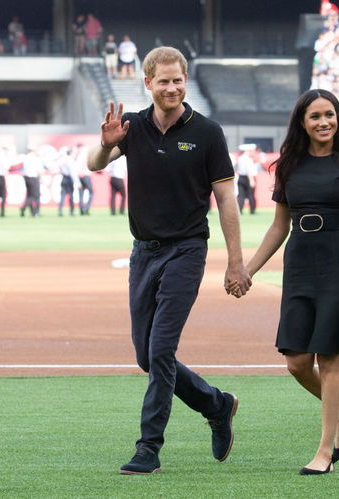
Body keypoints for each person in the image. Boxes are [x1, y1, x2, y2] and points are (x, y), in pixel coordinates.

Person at [87, 46, 250, 475]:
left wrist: (236, 262)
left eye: (178, 79)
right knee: (146, 355)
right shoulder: (133, 126)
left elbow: (227, 199)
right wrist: (106, 147)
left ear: (185, 80)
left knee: (161, 348)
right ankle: (217, 404)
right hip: (143, 253)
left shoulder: (208, 132)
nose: (172, 87)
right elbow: (93, 164)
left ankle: (149, 447)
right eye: (164, 81)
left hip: (187, 250)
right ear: (148, 84)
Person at [240, 89, 339, 474]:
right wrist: (248, 269)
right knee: (296, 361)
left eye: (330, 114)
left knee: (329, 357)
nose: (324, 122)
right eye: (315, 117)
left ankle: (325, 453)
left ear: (338, 117)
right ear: (302, 123)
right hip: (301, 261)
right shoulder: (289, 164)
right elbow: (279, 226)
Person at [20, 146, 45, 217]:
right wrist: (41, 178)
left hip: (26, 177)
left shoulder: (25, 158)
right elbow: (39, 170)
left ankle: (32, 211)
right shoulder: (35, 158)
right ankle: (34, 211)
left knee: (30, 195)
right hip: (33, 177)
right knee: (35, 196)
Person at [235, 145, 257, 215]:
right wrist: (251, 180)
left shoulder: (239, 159)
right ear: (247, 151)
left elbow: (236, 169)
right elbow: (248, 170)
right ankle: (252, 211)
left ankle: (239, 210)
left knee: (241, 196)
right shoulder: (248, 159)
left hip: (241, 177)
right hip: (248, 178)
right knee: (251, 195)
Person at [57, 147, 79, 217]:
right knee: (71, 196)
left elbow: (59, 167)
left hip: (64, 178)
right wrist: (77, 181)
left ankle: (60, 211)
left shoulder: (63, 160)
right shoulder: (70, 160)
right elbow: (72, 172)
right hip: (69, 179)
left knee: (62, 196)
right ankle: (72, 211)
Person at [75, 144, 93, 215]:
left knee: (81, 194)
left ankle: (82, 209)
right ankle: (86, 208)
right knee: (91, 192)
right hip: (85, 175)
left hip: (80, 176)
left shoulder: (77, 155)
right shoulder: (83, 154)